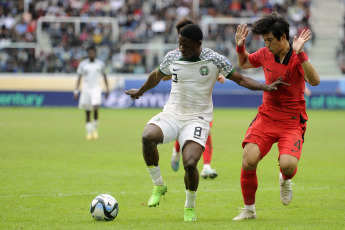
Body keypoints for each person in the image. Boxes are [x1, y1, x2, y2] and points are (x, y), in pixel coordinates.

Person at [125, 24, 287, 221]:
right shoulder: (173, 56)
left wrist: (265, 86)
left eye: (185, 45)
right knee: (147, 136)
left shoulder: (215, 59)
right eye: (179, 44)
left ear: (198, 44)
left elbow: (240, 79)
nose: (181, 48)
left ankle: (189, 207)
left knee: (190, 163)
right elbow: (156, 75)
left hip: (198, 118)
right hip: (172, 113)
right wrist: (140, 91)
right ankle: (159, 185)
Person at [232, 12, 320, 220]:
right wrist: (239, 46)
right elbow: (244, 63)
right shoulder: (264, 53)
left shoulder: (298, 58)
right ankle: (249, 210)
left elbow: (314, 81)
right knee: (248, 160)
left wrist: (301, 54)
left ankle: (285, 178)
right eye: (265, 41)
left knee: (288, 165)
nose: (267, 44)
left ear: (282, 38)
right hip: (267, 117)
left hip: (291, 121)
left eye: (270, 40)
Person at [163, 18, 224, 179]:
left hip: (201, 106)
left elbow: (212, 68)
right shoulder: (175, 57)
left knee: (206, 133)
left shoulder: (204, 55)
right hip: (181, 105)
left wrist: (218, 75)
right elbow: (162, 76)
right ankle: (176, 152)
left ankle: (206, 166)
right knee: (182, 133)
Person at [73, 45, 109, 140]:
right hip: (86, 89)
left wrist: (107, 89)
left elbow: (104, 76)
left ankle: (95, 130)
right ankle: (88, 132)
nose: (91, 54)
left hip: (96, 88)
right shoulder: (83, 64)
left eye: (93, 53)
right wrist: (76, 90)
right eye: (90, 53)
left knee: (96, 107)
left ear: (95, 53)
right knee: (88, 112)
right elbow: (79, 78)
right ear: (88, 54)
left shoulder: (100, 64)